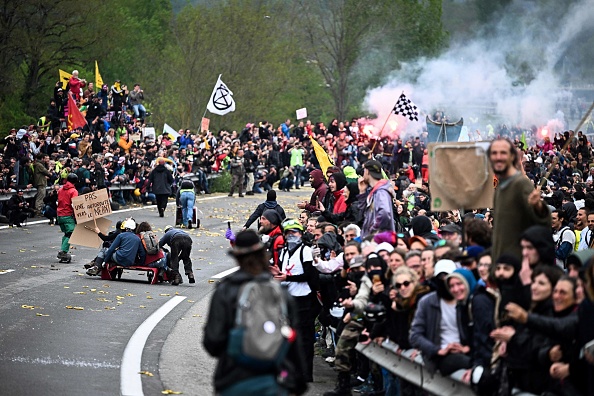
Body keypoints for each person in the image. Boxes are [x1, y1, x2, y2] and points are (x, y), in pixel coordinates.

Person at [203, 229, 307, 396]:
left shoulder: (226, 290)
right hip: (274, 381)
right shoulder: (281, 294)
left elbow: (212, 343)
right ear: (263, 254)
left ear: (236, 257)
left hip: (233, 380)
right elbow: (294, 342)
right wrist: (297, 384)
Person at [489, 138, 550, 262]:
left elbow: (543, 220)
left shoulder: (521, 184)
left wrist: (537, 206)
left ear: (512, 157)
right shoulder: (501, 187)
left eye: (503, 153)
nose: (498, 158)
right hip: (502, 261)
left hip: (517, 262)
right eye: (494, 153)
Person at [274, 218, 319, 383]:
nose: (291, 235)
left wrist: (288, 277)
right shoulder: (284, 251)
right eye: (288, 233)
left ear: (300, 234)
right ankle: (290, 369)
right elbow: (281, 270)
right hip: (287, 299)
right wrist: (277, 273)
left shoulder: (305, 251)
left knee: (305, 338)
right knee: (287, 336)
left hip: (304, 300)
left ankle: (306, 373)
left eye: (294, 232)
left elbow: (309, 275)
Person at [358, 159, 395, 238]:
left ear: (367, 171)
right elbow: (363, 213)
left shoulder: (380, 191)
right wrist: (362, 193)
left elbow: (385, 212)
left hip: (378, 241)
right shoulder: (374, 191)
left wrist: (373, 230)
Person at [56, 173, 79, 262]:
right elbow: (74, 204)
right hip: (67, 215)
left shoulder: (61, 190)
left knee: (66, 233)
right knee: (70, 233)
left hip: (60, 215)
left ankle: (63, 251)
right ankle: (63, 251)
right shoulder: (73, 191)